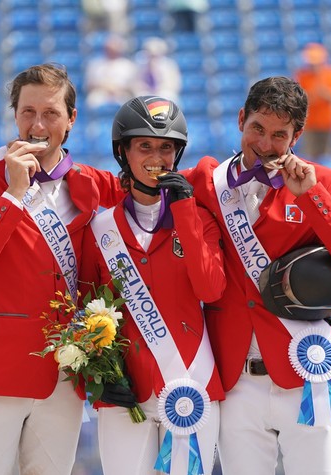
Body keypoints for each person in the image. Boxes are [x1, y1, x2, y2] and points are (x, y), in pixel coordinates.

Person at [186, 76, 331, 474]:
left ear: (297, 136)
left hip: (308, 370)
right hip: (236, 380)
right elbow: (138, 187)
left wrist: (311, 197)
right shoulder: (207, 181)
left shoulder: (323, 182)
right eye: (257, 127)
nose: (264, 143)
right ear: (241, 119)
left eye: (279, 135)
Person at [0, 63, 122, 475]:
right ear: (14, 114)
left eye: (50, 113)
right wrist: (14, 193)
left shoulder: (93, 183)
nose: (37, 124)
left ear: (71, 119)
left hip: (63, 373)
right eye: (28, 112)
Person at [80, 96, 226, 475]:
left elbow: (210, 289)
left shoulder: (199, 219)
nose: (156, 157)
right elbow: (84, 311)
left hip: (192, 388)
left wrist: (185, 212)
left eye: (166, 147)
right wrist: (97, 378)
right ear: (122, 151)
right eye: (144, 145)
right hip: (124, 393)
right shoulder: (99, 230)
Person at [294, 43, 331, 161]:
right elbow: (299, 99)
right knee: (309, 157)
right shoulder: (302, 75)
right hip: (309, 124)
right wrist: (314, 95)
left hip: (327, 123)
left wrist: (324, 93)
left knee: (327, 157)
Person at [83, 34, 137, 110]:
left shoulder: (127, 65)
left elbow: (132, 86)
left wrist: (117, 89)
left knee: (128, 102)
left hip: (121, 93)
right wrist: (105, 87)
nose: (112, 50)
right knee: (92, 101)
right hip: (100, 92)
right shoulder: (95, 63)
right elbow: (89, 85)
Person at [134, 37, 182, 104]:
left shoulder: (169, 65)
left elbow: (175, 85)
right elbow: (136, 83)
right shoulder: (141, 64)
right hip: (146, 93)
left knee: (167, 96)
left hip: (164, 93)